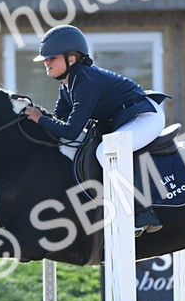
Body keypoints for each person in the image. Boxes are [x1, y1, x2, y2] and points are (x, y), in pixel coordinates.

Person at [25, 25, 169, 235]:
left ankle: (142, 213)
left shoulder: (84, 80)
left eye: (52, 57)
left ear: (71, 59)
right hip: (125, 118)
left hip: (145, 117)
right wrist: (35, 118)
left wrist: (39, 119)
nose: (46, 61)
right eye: (46, 58)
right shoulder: (67, 84)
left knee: (106, 152)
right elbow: (57, 121)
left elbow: (72, 131)